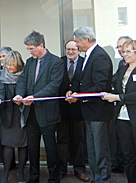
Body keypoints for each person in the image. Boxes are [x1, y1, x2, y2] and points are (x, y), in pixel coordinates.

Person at [14, 30, 64, 183]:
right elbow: (23, 81)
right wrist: (19, 95)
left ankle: (54, 178)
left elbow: (53, 86)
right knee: (32, 148)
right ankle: (34, 177)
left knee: (50, 148)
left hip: (48, 113)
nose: (29, 52)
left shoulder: (56, 62)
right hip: (31, 113)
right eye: (28, 49)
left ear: (41, 45)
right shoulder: (30, 62)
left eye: (31, 48)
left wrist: (34, 97)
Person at [66, 26, 113, 183]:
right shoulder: (89, 55)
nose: (77, 45)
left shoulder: (100, 56)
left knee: (100, 150)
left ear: (86, 39)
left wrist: (79, 96)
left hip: (98, 112)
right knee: (92, 150)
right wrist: (73, 91)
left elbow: (100, 86)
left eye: (78, 41)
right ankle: (96, 178)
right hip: (89, 111)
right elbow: (82, 81)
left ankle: (104, 179)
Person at [102, 39, 136, 183]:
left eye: (128, 51)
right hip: (122, 118)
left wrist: (118, 97)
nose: (124, 54)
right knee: (128, 156)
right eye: (123, 52)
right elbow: (114, 85)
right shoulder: (122, 69)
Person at [57, 40, 89, 182]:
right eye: (68, 49)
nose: (70, 52)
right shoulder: (59, 62)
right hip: (62, 108)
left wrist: (77, 95)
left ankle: (79, 170)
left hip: (79, 108)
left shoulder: (85, 62)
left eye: (73, 49)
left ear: (79, 50)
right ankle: (61, 170)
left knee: (78, 140)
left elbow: (87, 82)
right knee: (62, 140)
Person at [0, 51, 27, 183]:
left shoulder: (25, 74)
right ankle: (5, 173)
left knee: (23, 144)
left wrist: (20, 96)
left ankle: (21, 173)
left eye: (12, 65)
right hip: (7, 113)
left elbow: (24, 88)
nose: (9, 67)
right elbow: (0, 91)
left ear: (18, 64)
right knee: (7, 144)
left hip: (21, 113)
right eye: (7, 64)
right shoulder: (1, 74)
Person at [110, 36, 131, 174]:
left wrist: (118, 96)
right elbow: (115, 80)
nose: (120, 50)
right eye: (118, 47)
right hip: (122, 113)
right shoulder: (121, 65)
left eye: (122, 47)